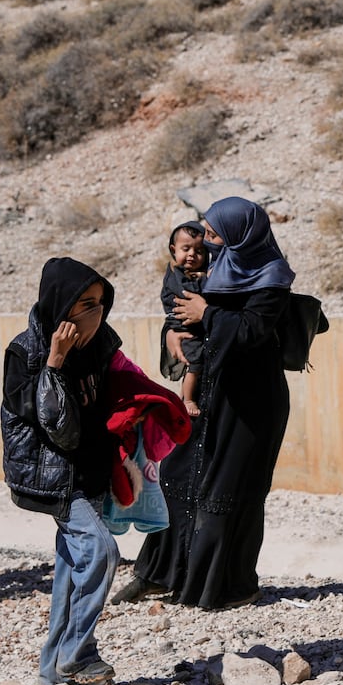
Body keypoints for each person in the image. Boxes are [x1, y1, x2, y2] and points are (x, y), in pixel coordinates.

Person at [123, 197, 293, 609]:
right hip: (207, 390)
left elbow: (253, 332)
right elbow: (183, 310)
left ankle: (227, 585)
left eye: (215, 235)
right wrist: (170, 333)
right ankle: (159, 572)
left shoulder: (270, 277)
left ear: (239, 235)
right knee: (176, 477)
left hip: (249, 402)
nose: (207, 243)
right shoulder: (213, 265)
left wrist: (209, 314)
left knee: (229, 491)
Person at [1, 258, 122, 685]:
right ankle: (79, 652)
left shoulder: (103, 343)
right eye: (83, 304)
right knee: (103, 552)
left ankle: (52, 669)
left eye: (100, 303)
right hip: (54, 477)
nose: (94, 314)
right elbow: (58, 428)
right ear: (60, 305)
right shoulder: (25, 353)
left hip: (92, 473)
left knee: (71, 569)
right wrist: (54, 363)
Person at [159, 221, 209, 417]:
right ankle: (187, 399)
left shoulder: (189, 273)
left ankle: (185, 396)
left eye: (199, 251)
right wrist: (206, 279)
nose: (192, 254)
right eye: (186, 248)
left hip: (190, 326)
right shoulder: (175, 273)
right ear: (174, 249)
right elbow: (188, 294)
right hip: (183, 327)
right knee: (195, 364)